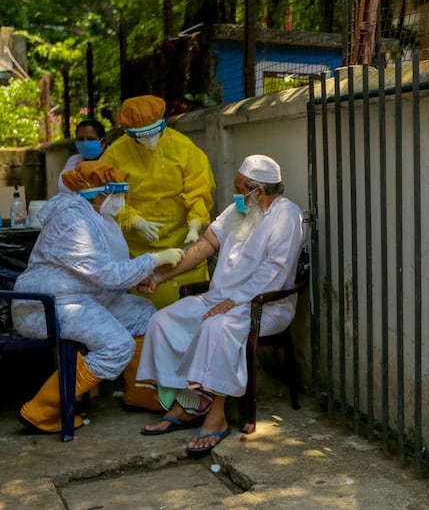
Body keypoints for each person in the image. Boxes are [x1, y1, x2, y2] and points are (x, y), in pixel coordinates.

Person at [136, 154, 306, 458]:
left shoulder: (286, 216)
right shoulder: (237, 210)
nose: (236, 193)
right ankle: (189, 404)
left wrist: (234, 302)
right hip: (221, 299)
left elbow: (276, 271)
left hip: (264, 305)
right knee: (164, 320)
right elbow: (205, 246)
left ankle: (217, 415)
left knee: (216, 326)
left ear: (259, 191)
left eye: (240, 188)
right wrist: (161, 276)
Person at [12, 161, 186, 433]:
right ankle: (42, 409)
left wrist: (137, 277)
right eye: (116, 192)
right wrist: (154, 259)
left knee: (144, 314)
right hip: (46, 305)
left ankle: (141, 393)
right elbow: (106, 272)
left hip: (84, 296)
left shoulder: (99, 216)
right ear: (96, 192)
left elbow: (106, 270)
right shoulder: (72, 220)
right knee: (117, 346)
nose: (120, 199)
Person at [101, 94, 216, 309]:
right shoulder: (115, 154)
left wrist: (195, 225)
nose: (149, 140)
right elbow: (110, 198)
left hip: (182, 242)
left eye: (154, 132)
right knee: (143, 309)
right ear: (128, 133)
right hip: (138, 247)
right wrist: (136, 221)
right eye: (141, 136)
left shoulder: (184, 147)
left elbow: (199, 190)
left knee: (190, 310)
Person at [57, 119, 108, 194]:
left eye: (90, 139)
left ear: (103, 142)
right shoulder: (73, 161)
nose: (85, 143)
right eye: (81, 139)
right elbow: (63, 189)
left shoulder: (112, 160)